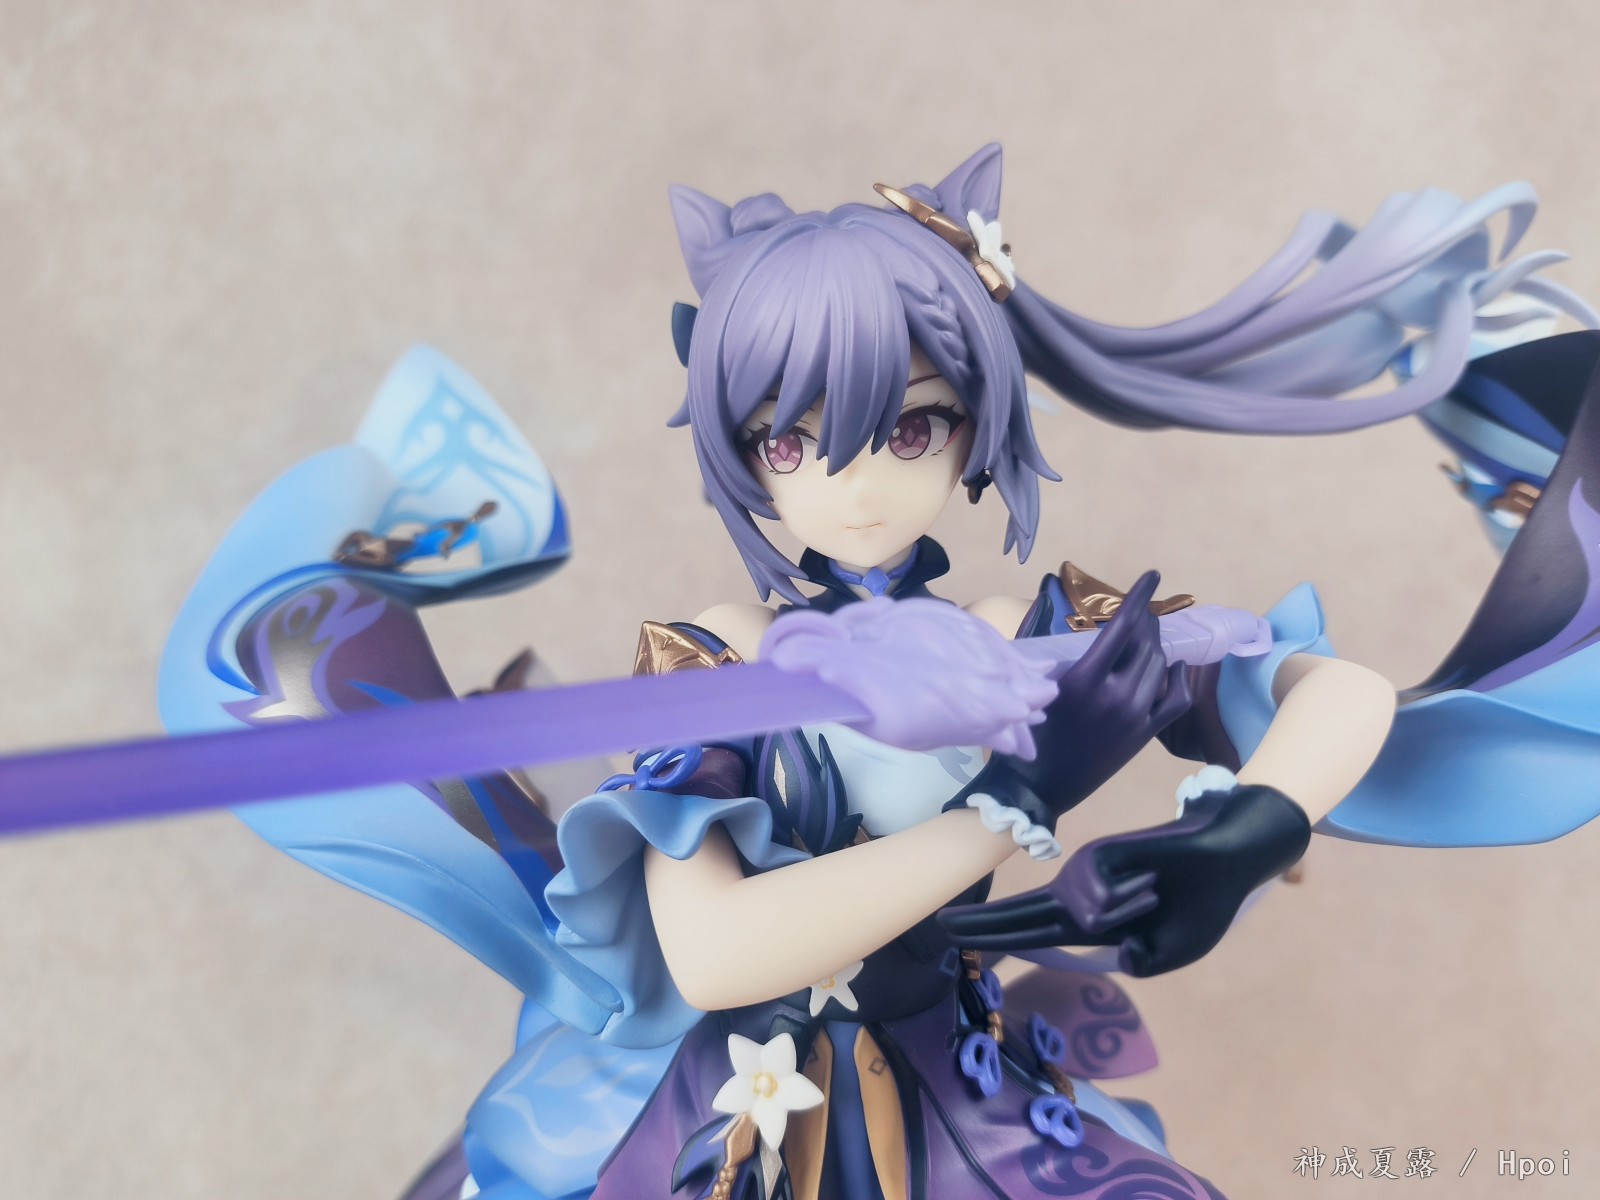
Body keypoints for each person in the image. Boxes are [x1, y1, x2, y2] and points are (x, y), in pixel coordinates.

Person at [157, 146, 1597, 1200]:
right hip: (726, 1128)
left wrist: (1248, 831)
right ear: (742, 455)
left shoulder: (1042, 627)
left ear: (976, 425)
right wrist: (1014, 806)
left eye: (906, 428)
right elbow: (717, 953)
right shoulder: (717, 655)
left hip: (966, 1108)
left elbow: (1336, 693)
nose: (848, 484)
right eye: (789, 441)